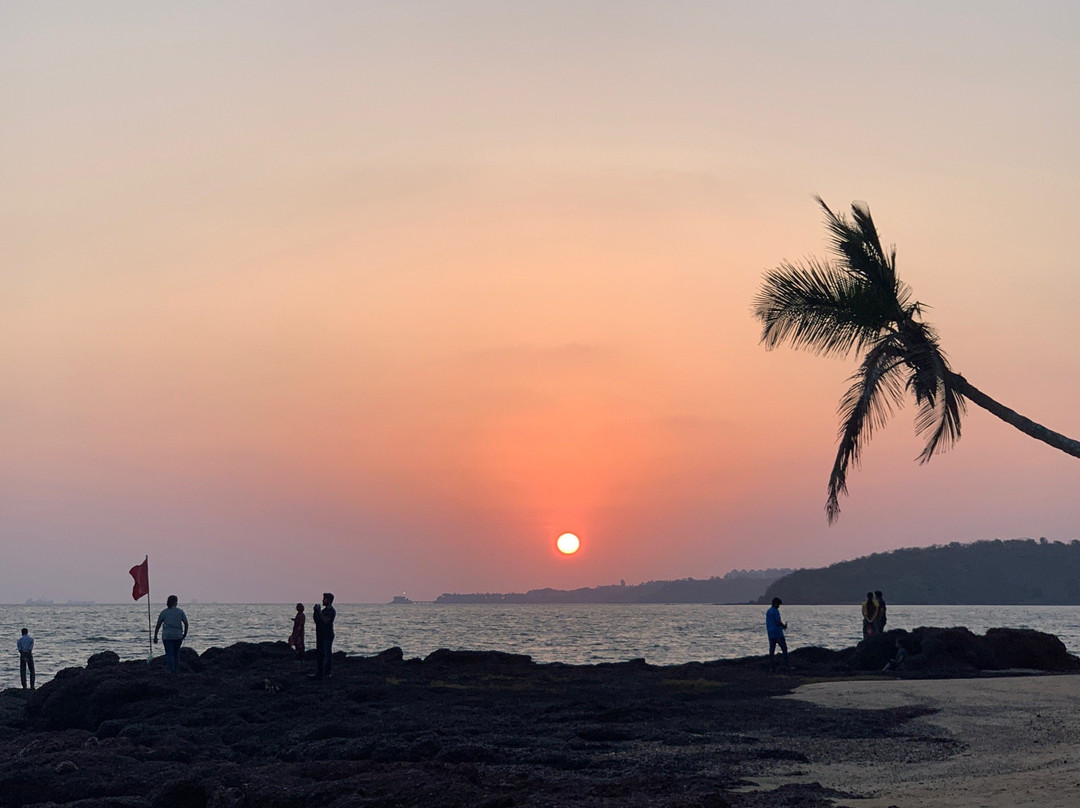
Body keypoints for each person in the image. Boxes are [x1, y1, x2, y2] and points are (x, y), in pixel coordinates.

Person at [153, 595, 189, 673]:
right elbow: (186, 623)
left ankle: (171, 669)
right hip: (177, 635)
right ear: (176, 602)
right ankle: (176, 670)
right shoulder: (180, 612)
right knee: (176, 654)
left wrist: (155, 636)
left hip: (167, 636)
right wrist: (185, 633)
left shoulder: (164, 612)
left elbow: (158, 625)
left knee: (169, 653)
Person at [312, 592, 336, 680]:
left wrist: (319, 612)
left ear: (329, 600)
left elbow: (326, 620)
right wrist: (315, 612)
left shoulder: (331, 611)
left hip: (327, 635)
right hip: (321, 634)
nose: (323, 600)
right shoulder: (324, 610)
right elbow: (317, 620)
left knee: (327, 654)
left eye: (325, 599)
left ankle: (327, 672)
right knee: (320, 654)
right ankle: (320, 672)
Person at [765, 597, 788, 669]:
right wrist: (784, 626)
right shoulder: (775, 611)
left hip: (770, 633)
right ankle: (785, 664)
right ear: (775, 603)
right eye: (778, 604)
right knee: (784, 648)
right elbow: (778, 621)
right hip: (777, 633)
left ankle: (771, 664)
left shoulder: (768, 611)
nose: (779, 606)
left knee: (772, 649)